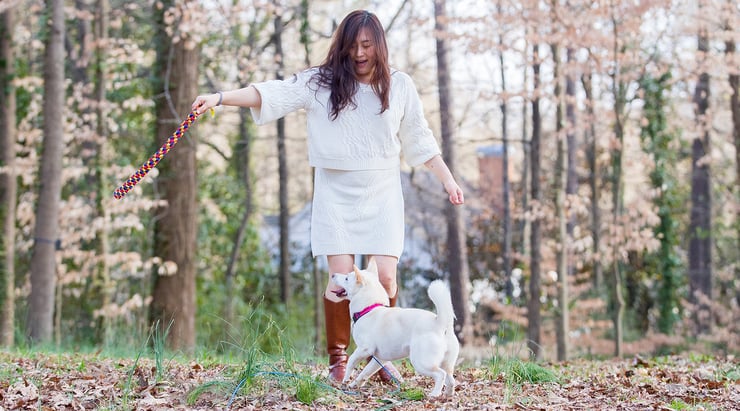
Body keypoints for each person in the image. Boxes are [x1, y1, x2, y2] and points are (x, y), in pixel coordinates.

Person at [191, 9, 464, 384]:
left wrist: (448, 180)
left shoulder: (399, 86)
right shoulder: (321, 82)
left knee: (385, 280)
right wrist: (219, 97)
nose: (359, 53)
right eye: (352, 46)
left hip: (382, 189)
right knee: (341, 280)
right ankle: (339, 358)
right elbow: (273, 92)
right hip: (336, 192)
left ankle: (382, 357)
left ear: (379, 46)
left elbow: (420, 137)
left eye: (367, 45)